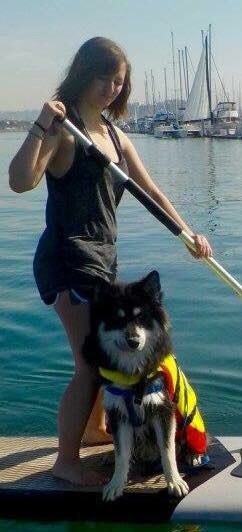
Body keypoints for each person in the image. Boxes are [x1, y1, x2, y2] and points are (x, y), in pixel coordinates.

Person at [8, 37, 213, 486]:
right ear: (83, 73)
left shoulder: (115, 136)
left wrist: (187, 234)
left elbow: (152, 192)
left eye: (119, 81)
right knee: (90, 363)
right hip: (67, 258)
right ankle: (66, 462)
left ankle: (96, 429)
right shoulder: (65, 129)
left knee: (101, 360)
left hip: (101, 261)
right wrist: (41, 123)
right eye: (103, 77)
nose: (111, 88)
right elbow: (20, 181)